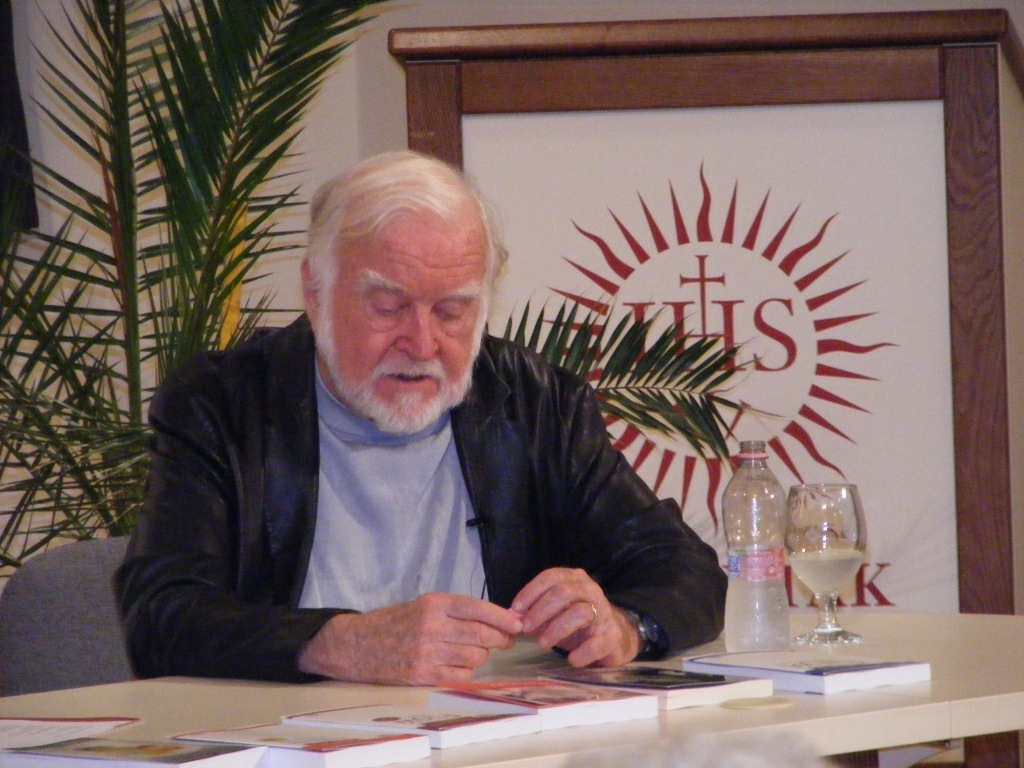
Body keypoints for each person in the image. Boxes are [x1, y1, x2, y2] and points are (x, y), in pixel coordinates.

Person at [116, 150, 726, 686]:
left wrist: (625, 625)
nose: (422, 342)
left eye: (452, 312)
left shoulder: (534, 404)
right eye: (388, 307)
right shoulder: (223, 405)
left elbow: (685, 568)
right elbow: (161, 616)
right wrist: (341, 644)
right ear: (315, 292)